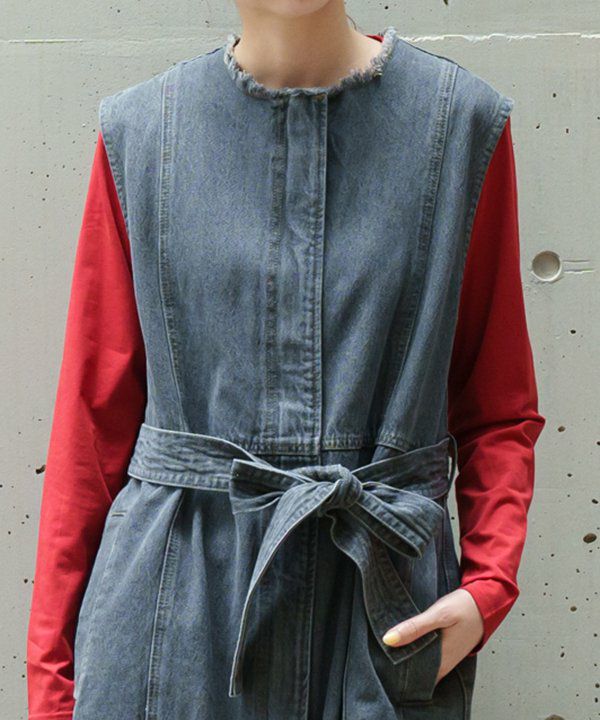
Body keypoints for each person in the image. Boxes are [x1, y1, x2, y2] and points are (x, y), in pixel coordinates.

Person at [26, 3, 546, 719]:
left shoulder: (459, 124)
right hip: (173, 615)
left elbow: (497, 404)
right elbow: (90, 427)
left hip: (380, 614)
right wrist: (51, 686)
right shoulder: (141, 132)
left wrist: (488, 588)